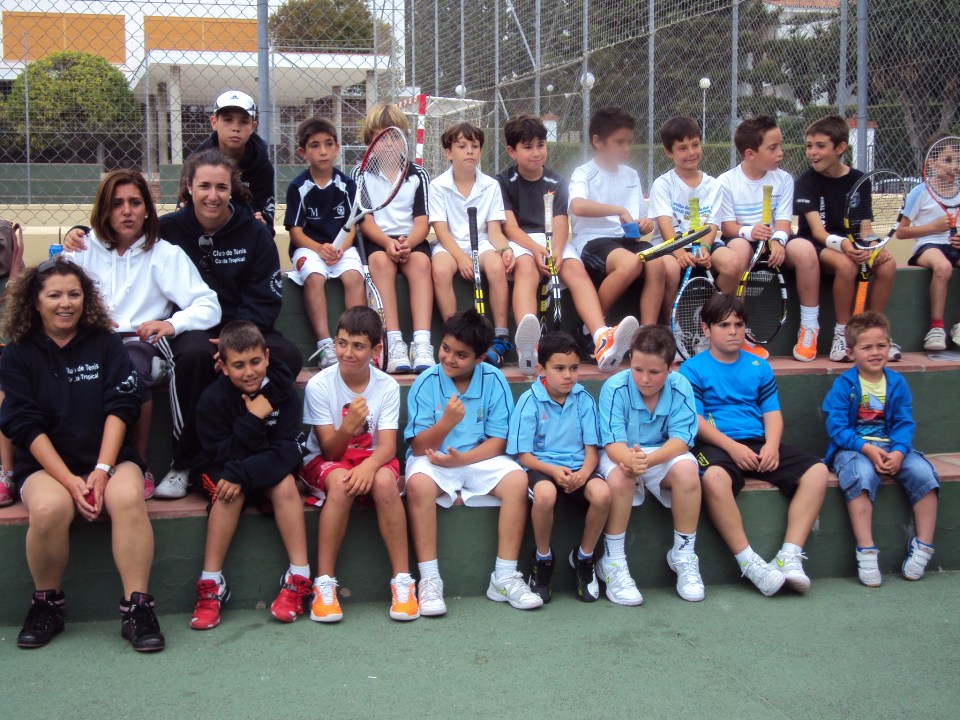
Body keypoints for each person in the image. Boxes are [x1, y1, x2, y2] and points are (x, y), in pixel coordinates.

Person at [61, 150, 303, 500]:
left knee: (287, 357)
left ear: (232, 189)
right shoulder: (167, 230)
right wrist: (79, 232)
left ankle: (262, 433)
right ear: (188, 188)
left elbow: (265, 300)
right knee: (191, 356)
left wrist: (233, 345)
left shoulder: (255, 233)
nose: (212, 195)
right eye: (204, 186)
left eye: (221, 187)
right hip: (195, 330)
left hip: (246, 330)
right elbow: (115, 229)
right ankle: (185, 461)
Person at [0, 259, 164, 651]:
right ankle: (47, 604)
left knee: (126, 497)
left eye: (74, 294)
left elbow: (122, 405)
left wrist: (103, 469)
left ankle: (137, 608)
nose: (65, 303)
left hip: (109, 457)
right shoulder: (18, 354)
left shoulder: (106, 343)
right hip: (45, 464)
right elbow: (22, 423)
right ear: (35, 301)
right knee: (49, 509)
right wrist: (70, 480)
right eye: (54, 295)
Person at [64, 169, 221, 499]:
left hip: (140, 344)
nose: (127, 211)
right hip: (92, 341)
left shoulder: (164, 254)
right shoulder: (83, 249)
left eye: (135, 202)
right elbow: (58, 295)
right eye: (117, 203)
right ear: (104, 209)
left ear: (147, 209)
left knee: (133, 366)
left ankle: (138, 462)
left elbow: (209, 305)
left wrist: (172, 324)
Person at [678, 294, 829, 596]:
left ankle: (789, 555)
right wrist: (732, 448)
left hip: (758, 442)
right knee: (713, 477)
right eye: (723, 325)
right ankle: (749, 562)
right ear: (706, 330)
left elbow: (772, 413)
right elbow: (694, 421)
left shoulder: (759, 366)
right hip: (715, 445)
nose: (733, 331)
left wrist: (772, 445)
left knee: (818, 472)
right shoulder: (691, 369)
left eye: (738, 324)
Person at [404, 309, 543, 615]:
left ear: (480, 358)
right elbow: (417, 447)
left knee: (517, 480)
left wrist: (463, 460)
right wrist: (446, 423)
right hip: (433, 459)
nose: (449, 359)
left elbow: (500, 441)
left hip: (479, 458)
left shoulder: (493, 379)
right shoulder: (425, 382)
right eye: (445, 349)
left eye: (461, 355)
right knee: (416, 484)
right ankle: (429, 580)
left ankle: (504, 576)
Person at [496, 114, 639, 375]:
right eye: (527, 147)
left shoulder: (556, 181)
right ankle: (528, 347)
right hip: (521, 240)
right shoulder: (503, 182)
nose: (536, 152)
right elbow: (510, 227)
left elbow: (561, 222)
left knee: (576, 271)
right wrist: (536, 249)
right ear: (511, 151)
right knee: (526, 269)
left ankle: (600, 339)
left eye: (541, 145)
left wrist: (557, 251)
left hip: (554, 242)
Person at [189, 320, 310, 629]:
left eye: (255, 362)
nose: (249, 372)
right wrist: (253, 419)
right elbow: (220, 454)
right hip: (225, 467)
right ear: (224, 367)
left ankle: (299, 576)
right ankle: (211, 584)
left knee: (285, 484)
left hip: (259, 466)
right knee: (229, 491)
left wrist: (245, 470)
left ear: (267, 357)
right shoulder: (212, 400)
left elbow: (288, 451)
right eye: (239, 365)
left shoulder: (283, 393)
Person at [301, 307, 418, 622]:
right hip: (328, 459)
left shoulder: (387, 386)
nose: (347, 353)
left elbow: (388, 447)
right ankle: (324, 584)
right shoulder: (320, 385)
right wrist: (349, 426)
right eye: (341, 343)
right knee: (340, 483)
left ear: (376, 350)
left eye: (357, 346)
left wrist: (368, 467)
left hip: (373, 458)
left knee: (383, 481)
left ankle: (403, 582)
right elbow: (329, 452)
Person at [823, 311, 939, 586]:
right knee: (861, 476)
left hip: (893, 447)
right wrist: (867, 449)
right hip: (853, 448)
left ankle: (923, 546)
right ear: (850, 352)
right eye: (867, 347)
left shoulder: (897, 383)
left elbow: (904, 422)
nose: (875, 353)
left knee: (924, 474)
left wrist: (899, 451)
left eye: (881, 345)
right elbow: (837, 429)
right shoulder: (844, 385)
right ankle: (866, 551)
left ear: (889, 346)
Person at [597, 325, 705, 603]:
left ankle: (683, 554)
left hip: (659, 454)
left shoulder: (682, 386)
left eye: (654, 372)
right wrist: (629, 461)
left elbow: (682, 440)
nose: (644, 379)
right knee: (620, 478)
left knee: (687, 471)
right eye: (637, 369)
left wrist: (647, 461)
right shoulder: (614, 387)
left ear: (670, 368)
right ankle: (613, 561)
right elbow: (612, 444)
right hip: (620, 454)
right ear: (630, 360)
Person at [507, 331, 612, 603]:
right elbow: (524, 456)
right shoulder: (529, 402)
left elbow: (592, 451)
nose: (568, 376)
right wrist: (553, 472)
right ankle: (543, 559)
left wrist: (584, 474)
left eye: (574, 368)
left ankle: (584, 557)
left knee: (602, 494)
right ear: (542, 369)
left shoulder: (584, 400)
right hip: (542, 467)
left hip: (579, 469)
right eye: (559, 368)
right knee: (545, 495)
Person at [793, 114, 898, 361]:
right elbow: (817, 232)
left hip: (853, 247)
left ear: (840, 148)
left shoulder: (859, 180)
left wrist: (872, 246)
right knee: (846, 264)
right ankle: (844, 335)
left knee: (888, 264)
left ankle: (874, 335)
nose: (812, 152)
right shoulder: (805, 182)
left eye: (820, 146)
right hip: (819, 247)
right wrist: (844, 245)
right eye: (809, 146)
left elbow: (865, 228)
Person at [717, 114, 822, 362]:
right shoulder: (726, 181)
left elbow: (784, 222)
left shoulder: (784, 179)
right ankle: (733, 327)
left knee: (806, 252)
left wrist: (778, 241)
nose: (780, 153)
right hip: (743, 238)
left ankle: (809, 328)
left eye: (780, 146)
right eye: (773, 148)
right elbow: (727, 226)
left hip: (776, 239)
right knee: (739, 251)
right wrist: (750, 231)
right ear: (750, 153)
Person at [354, 103, 435, 374]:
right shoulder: (361, 173)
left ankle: (422, 344)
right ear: (370, 141)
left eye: (393, 136)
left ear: (403, 139)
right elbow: (364, 220)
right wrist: (387, 244)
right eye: (381, 136)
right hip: (378, 240)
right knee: (380, 263)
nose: (388, 143)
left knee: (422, 265)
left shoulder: (418, 174)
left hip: (411, 240)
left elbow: (423, 221)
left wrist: (409, 243)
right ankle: (393, 343)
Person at [568, 106, 666, 329]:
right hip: (592, 241)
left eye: (629, 142)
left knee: (657, 262)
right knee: (630, 263)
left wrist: (645, 223)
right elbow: (578, 206)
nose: (626, 148)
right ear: (598, 141)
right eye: (619, 142)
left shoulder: (631, 175)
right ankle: (591, 328)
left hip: (626, 241)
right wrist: (619, 210)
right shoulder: (584, 173)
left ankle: (647, 334)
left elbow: (640, 219)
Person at [429, 123, 516, 368]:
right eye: (462, 146)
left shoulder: (491, 185)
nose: (470, 151)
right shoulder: (437, 186)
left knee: (498, 268)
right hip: (449, 246)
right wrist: (461, 258)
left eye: (475, 146)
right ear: (448, 152)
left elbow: (495, 231)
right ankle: (454, 335)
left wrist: (505, 249)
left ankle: (500, 337)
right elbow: (441, 231)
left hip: (483, 242)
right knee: (440, 269)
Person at [284, 117, 365, 369]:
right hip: (309, 249)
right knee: (315, 277)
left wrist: (341, 247)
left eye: (328, 144)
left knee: (354, 276)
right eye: (315, 145)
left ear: (337, 147)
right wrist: (320, 249)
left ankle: (357, 340)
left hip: (342, 250)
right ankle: (324, 346)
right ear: (303, 152)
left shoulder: (348, 185)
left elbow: (353, 225)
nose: (323, 151)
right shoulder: (298, 187)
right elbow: (295, 233)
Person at [650, 116, 738, 311]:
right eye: (682, 148)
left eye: (695, 145)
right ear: (668, 152)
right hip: (670, 246)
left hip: (703, 244)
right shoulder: (663, 184)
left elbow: (712, 225)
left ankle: (711, 318)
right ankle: (668, 326)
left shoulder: (714, 185)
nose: (691, 152)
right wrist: (680, 252)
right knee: (670, 271)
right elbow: (665, 227)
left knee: (733, 263)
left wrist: (705, 248)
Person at [897, 133, 960, 351]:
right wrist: (933, 228)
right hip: (928, 246)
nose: (955, 167)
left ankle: (958, 326)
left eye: (958, 161)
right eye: (948, 160)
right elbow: (901, 232)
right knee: (942, 267)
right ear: (931, 162)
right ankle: (936, 328)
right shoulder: (920, 193)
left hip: (954, 246)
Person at [195, 90, 276, 229]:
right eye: (228, 120)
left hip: (244, 232)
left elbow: (266, 222)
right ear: (214, 122)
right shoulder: (197, 162)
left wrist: (262, 223)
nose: (235, 128)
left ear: (253, 127)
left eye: (244, 121)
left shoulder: (263, 166)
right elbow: (184, 206)